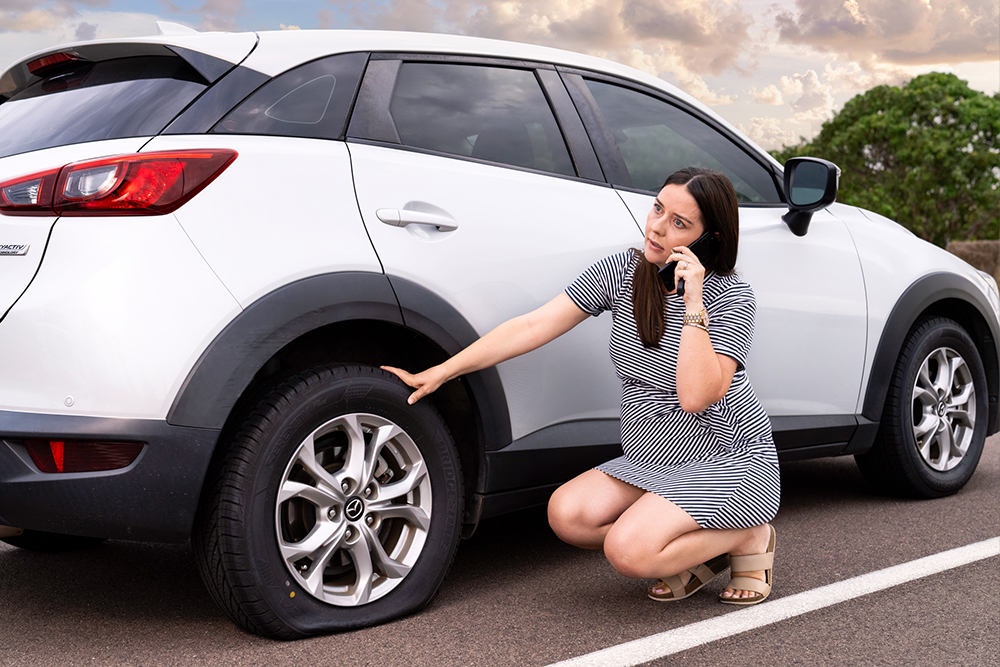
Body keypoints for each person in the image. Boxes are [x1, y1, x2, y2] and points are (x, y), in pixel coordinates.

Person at [383, 167, 780, 605]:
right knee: (567, 516)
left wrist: (692, 301)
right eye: (658, 209)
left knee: (628, 552)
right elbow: (534, 325)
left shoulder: (731, 298)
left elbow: (695, 396)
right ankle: (688, 547)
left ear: (711, 240)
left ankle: (747, 537)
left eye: (679, 224)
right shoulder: (624, 271)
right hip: (656, 457)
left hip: (728, 460)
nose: (657, 228)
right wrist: (444, 370)